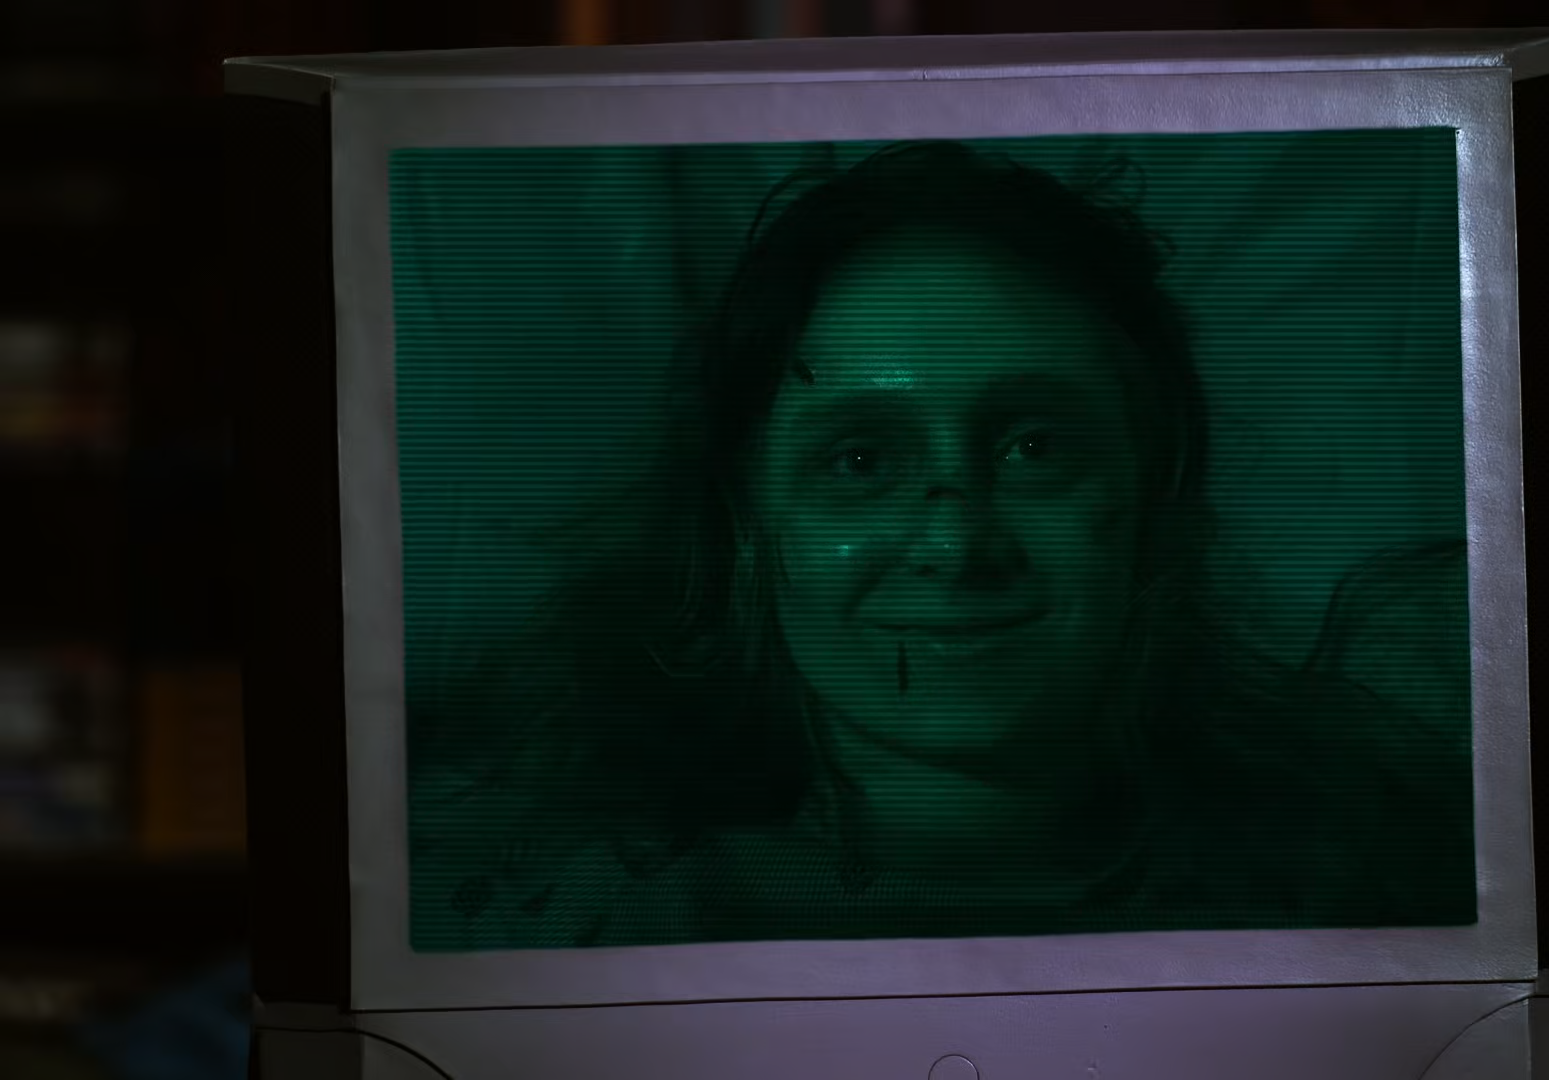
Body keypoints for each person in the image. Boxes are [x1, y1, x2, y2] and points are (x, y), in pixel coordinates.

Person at [410, 140, 1474, 951]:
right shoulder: (546, 917)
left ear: (1155, 493)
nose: (956, 541)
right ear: (748, 526)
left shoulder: (1381, 877)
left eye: (1033, 446)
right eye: (859, 461)